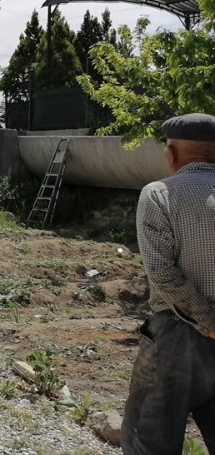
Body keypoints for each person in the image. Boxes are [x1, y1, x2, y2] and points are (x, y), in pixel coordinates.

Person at [122, 113, 215, 455]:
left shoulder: (160, 194)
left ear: (173, 154)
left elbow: (163, 275)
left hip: (177, 338)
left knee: (149, 438)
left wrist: (209, 324)